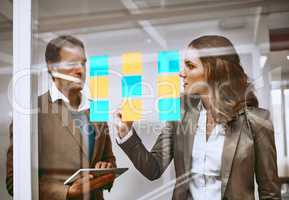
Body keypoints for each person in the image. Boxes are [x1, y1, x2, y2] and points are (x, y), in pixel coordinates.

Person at [115, 35, 281, 199]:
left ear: (215, 71)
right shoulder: (181, 112)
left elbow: (270, 193)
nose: (181, 73)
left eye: (190, 66)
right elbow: (153, 168)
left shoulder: (257, 121)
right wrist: (126, 133)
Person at [6, 35, 116, 200]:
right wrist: (67, 193)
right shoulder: (31, 113)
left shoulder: (96, 109)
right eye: (72, 64)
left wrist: (107, 168)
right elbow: (14, 181)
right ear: (52, 67)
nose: (81, 70)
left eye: (83, 63)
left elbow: (108, 159)